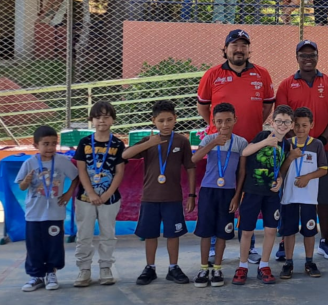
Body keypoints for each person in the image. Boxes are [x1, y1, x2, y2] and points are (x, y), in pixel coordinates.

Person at [197, 29, 273, 262]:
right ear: (225, 49)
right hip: (221, 147)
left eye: (243, 45)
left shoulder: (262, 74)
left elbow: (267, 106)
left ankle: (246, 245)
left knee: (249, 196)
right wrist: (217, 130)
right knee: (219, 192)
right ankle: (211, 242)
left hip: (251, 146)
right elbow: (204, 108)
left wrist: (253, 128)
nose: (239, 49)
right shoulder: (212, 75)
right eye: (234, 45)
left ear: (249, 50)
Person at [275, 40, 328, 260]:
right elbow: (282, 117)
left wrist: (321, 140)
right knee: (290, 194)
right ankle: (285, 241)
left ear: (317, 56)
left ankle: (325, 240)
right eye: (303, 55)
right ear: (296, 57)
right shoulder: (286, 85)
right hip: (293, 150)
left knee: (322, 196)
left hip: (323, 148)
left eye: (311, 54)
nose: (308, 59)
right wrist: (294, 143)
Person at [123, 100, 196, 285]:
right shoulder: (149, 141)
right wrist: (149, 143)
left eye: (169, 119)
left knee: (173, 234)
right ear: (153, 121)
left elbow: (190, 167)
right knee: (150, 234)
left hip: (172, 197)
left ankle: (173, 268)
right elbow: (125, 155)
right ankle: (150, 268)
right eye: (161, 120)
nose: (165, 124)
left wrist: (192, 195)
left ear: (175, 119)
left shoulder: (181, 141)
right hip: (150, 197)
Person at [233, 106, 293, 285]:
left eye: (286, 122)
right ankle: (242, 265)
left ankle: (264, 265)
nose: (282, 125)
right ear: (272, 122)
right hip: (252, 191)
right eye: (279, 121)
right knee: (247, 231)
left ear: (291, 125)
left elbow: (281, 167)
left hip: (271, 195)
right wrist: (265, 143)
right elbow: (245, 152)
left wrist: (280, 179)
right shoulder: (262, 136)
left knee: (270, 230)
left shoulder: (287, 144)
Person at [190, 102, 247, 288]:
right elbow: (195, 159)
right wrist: (214, 142)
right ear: (213, 122)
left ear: (235, 120)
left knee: (223, 232)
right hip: (209, 191)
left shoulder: (240, 142)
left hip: (228, 192)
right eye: (220, 121)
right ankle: (203, 268)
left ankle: (217, 268)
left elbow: (241, 173)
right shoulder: (208, 140)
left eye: (228, 120)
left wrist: (237, 196)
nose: (224, 125)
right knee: (205, 231)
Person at [16, 126, 79, 292]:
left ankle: (51, 273)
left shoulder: (62, 161)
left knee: (54, 245)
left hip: (55, 213)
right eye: (46, 144)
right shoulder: (29, 163)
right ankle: (36, 276)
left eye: (54, 143)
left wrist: (68, 194)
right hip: (34, 214)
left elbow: (76, 177)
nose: (50, 147)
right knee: (34, 246)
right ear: (36, 145)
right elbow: (22, 187)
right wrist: (27, 181)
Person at [73, 101, 126, 287]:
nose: (101, 120)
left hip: (110, 199)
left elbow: (119, 172)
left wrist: (106, 194)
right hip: (85, 198)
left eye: (106, 116)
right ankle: (84, 269)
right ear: (91, 120)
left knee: (108, 234)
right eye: (97, 117)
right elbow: (81, 170)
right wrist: (91, 193)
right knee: (84, 234)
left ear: (112, 119)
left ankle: (105, 267)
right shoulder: (85, 142)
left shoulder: (118, 144)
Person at [279, 107, 328, 279]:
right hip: (289, 196)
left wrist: (308, 177)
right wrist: (290, 157)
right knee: (289, 230)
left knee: (309, 230)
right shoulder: (287, 143)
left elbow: (324, 169)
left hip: (308, 196)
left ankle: (309, 261)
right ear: (292, 125)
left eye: (304, 125)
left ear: (311, 125)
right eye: (297, 125)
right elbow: (282, 170)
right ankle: (288, 262)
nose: (300, 129)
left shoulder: (317, 145)